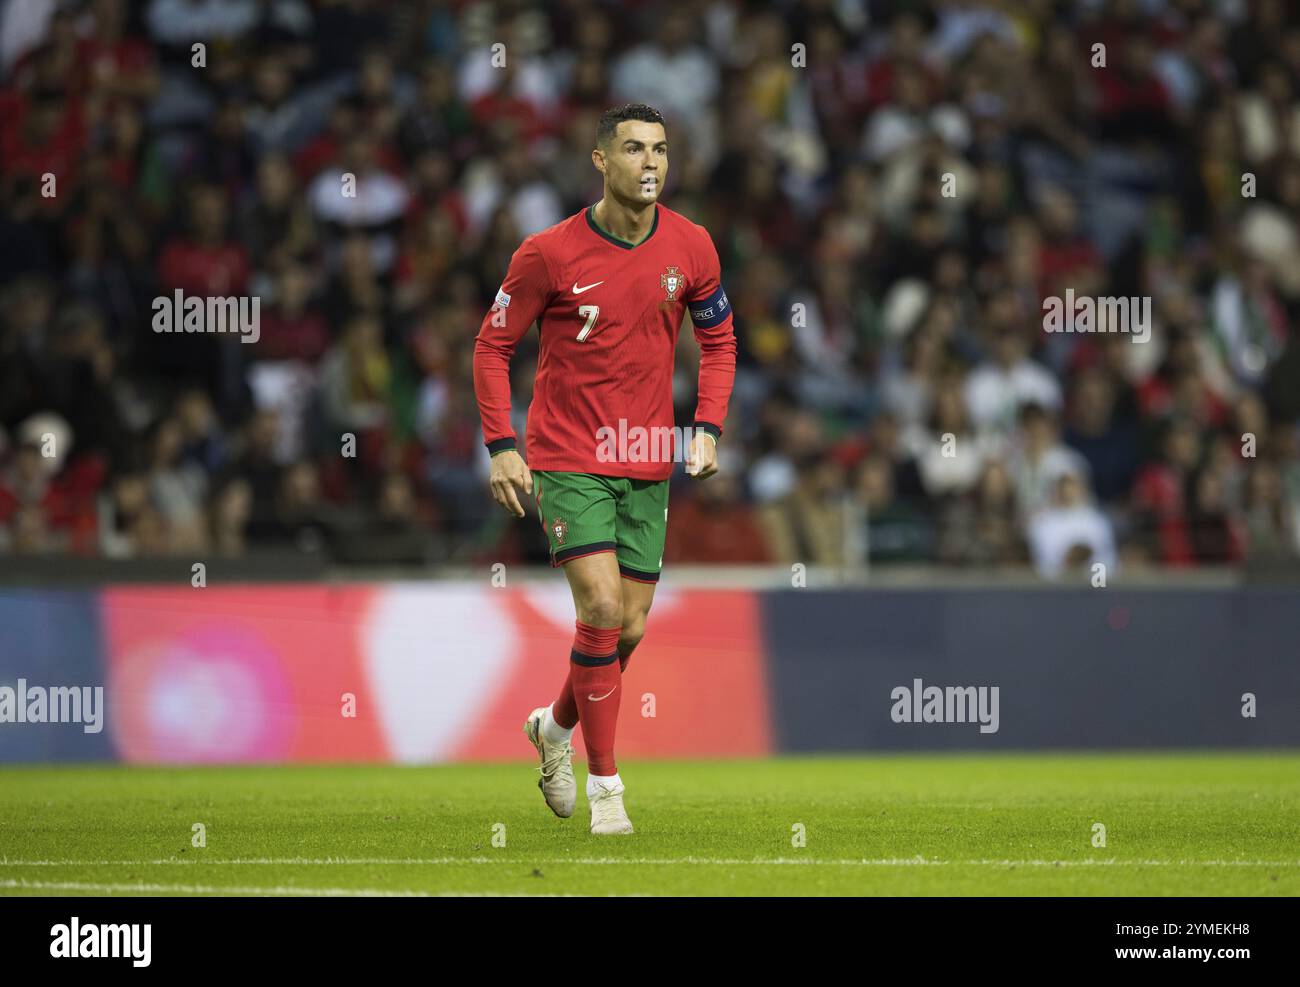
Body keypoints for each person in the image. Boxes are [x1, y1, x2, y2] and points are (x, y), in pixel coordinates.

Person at [472, 103, 737, 834]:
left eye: (659, 149)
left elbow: (720, 342)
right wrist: (502, 443)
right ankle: (607, 789)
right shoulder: (547, 253)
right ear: (600, 161)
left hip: (648, 457)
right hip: (568, 456)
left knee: (626, 631)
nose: (649, 162)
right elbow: (491, 347)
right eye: (632, 149)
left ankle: (554, 728)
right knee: (599, 608)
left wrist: (707, 427)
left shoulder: (694, 246)